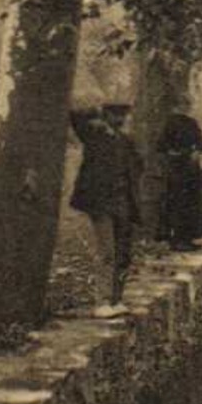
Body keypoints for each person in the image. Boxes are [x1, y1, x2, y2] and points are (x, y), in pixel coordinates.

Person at [69, 104, 143, 317]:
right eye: (115, 115)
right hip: (101, 203)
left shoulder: (126, 141)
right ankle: (102, 301)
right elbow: (76, 113)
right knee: (107, 251)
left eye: (123, 115)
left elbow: (138, 165)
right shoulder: (95, 136)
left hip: (124, 204)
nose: (120, 119)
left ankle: (116, 299)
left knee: (123, 253)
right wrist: (95, 118)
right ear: (106, 115)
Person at [159, 112, 202, 250]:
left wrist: (196, 153)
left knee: (191, 205)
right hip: (176, 172)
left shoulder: (191, 123)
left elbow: (201, 145)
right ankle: (177, 240)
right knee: (177, 205)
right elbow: (162, 147)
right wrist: (174, 155)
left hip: (190, 171)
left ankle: (187, 238)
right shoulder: (169, 124)